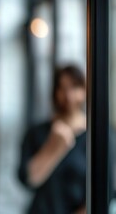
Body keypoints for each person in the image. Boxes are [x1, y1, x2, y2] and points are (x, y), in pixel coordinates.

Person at [18, 65, 86, 214]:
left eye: (74, 88)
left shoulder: (98, 137)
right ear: (55, 92)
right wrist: (54, 147)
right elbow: (27, 179)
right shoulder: (37, 133)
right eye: (62, 88)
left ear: (84, 91)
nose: (68, 96)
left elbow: (108, 188)